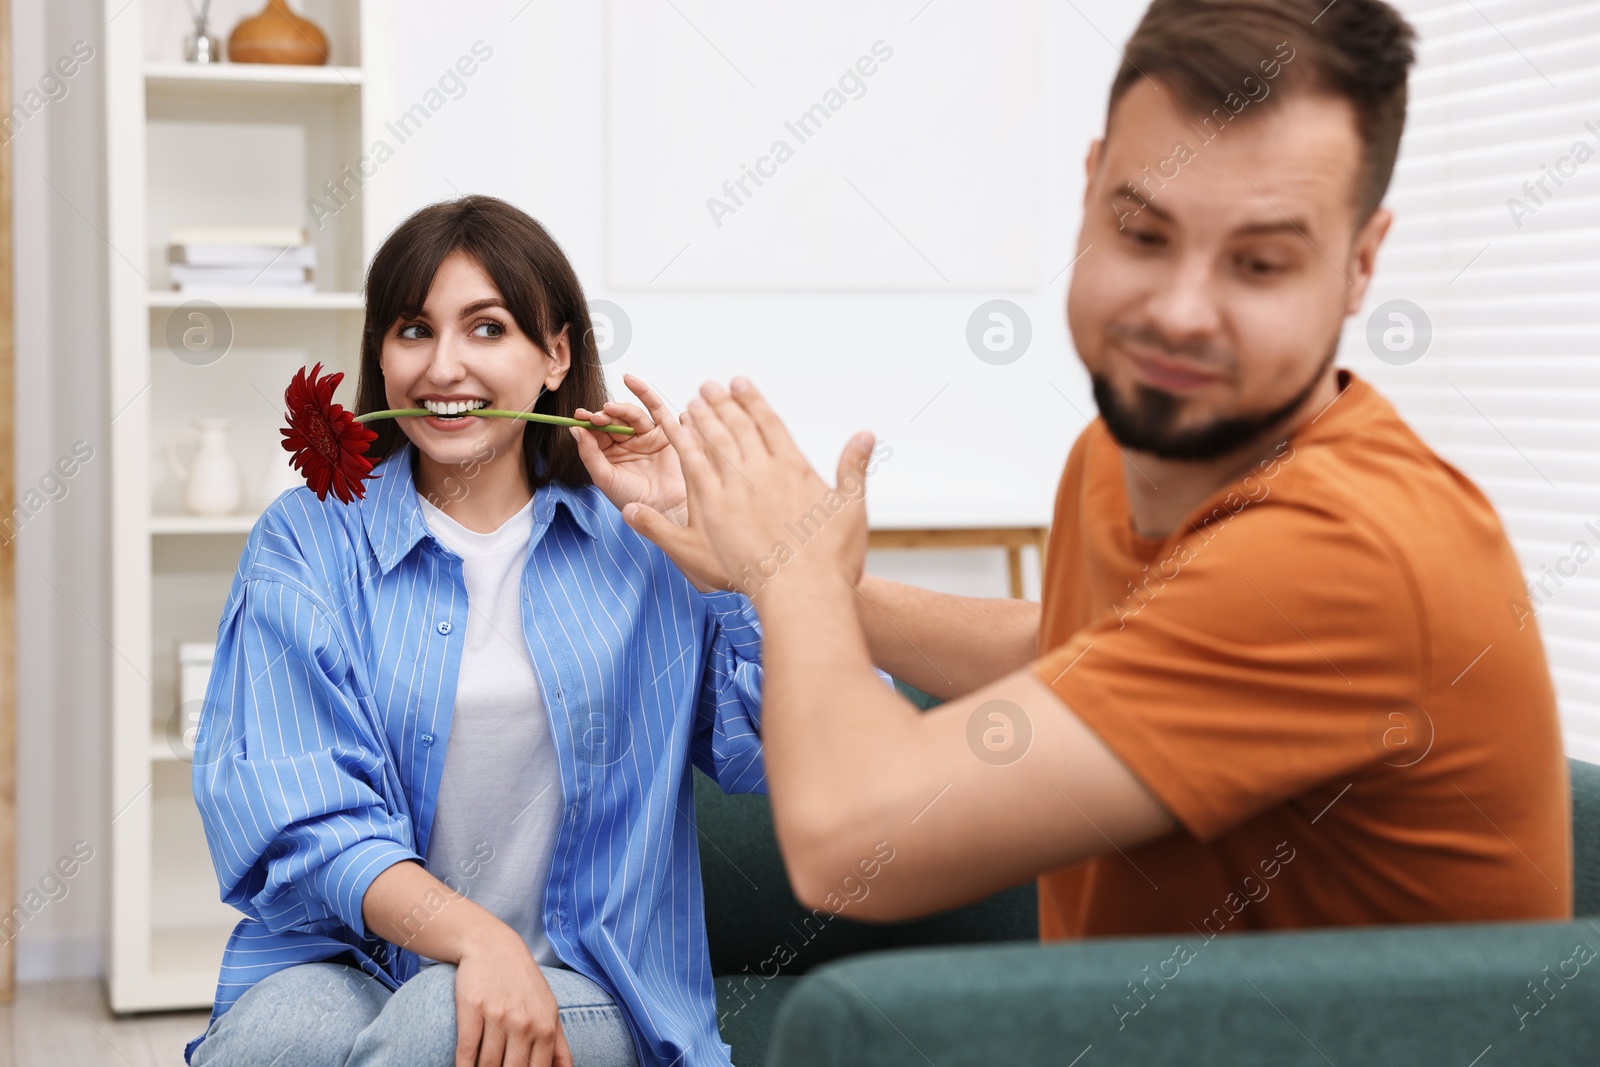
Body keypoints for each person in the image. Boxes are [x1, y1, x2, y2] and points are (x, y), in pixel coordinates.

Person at [622, 0, 1573, 942]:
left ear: (1362, 265)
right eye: (1145, 234)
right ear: (1091, 190)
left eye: (1261, 263)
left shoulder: (1347, 552)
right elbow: (1095, 657)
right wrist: (784, 568)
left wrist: (794, 576)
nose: (1181, 313)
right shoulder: (1124, 451)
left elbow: (852, 837)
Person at [186, 196, 769, 1067]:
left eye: (487, 328)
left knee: (438, 1021)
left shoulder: (644, 543)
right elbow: (303, 820)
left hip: (588, 981)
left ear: (555, 355)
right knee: (273, 1041)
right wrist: (476, 939)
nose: (443, 366)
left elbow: (790, 749)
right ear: (380, 356)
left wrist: (710, 547)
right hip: (358, 958)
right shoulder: (305, 539)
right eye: (414, 330)